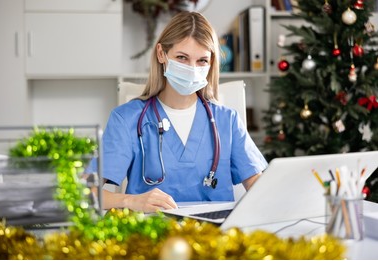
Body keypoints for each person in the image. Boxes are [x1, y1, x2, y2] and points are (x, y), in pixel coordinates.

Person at [100, 11, 268, 213]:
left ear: (211, 63)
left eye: (202, 61)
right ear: (161, 54)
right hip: (153, 236)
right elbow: (86, 193)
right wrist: (129, 201)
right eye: (182, 57)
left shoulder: (227, 121)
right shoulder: (126, 119)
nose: (192, 69)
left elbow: (263, 191)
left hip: (214, 237)